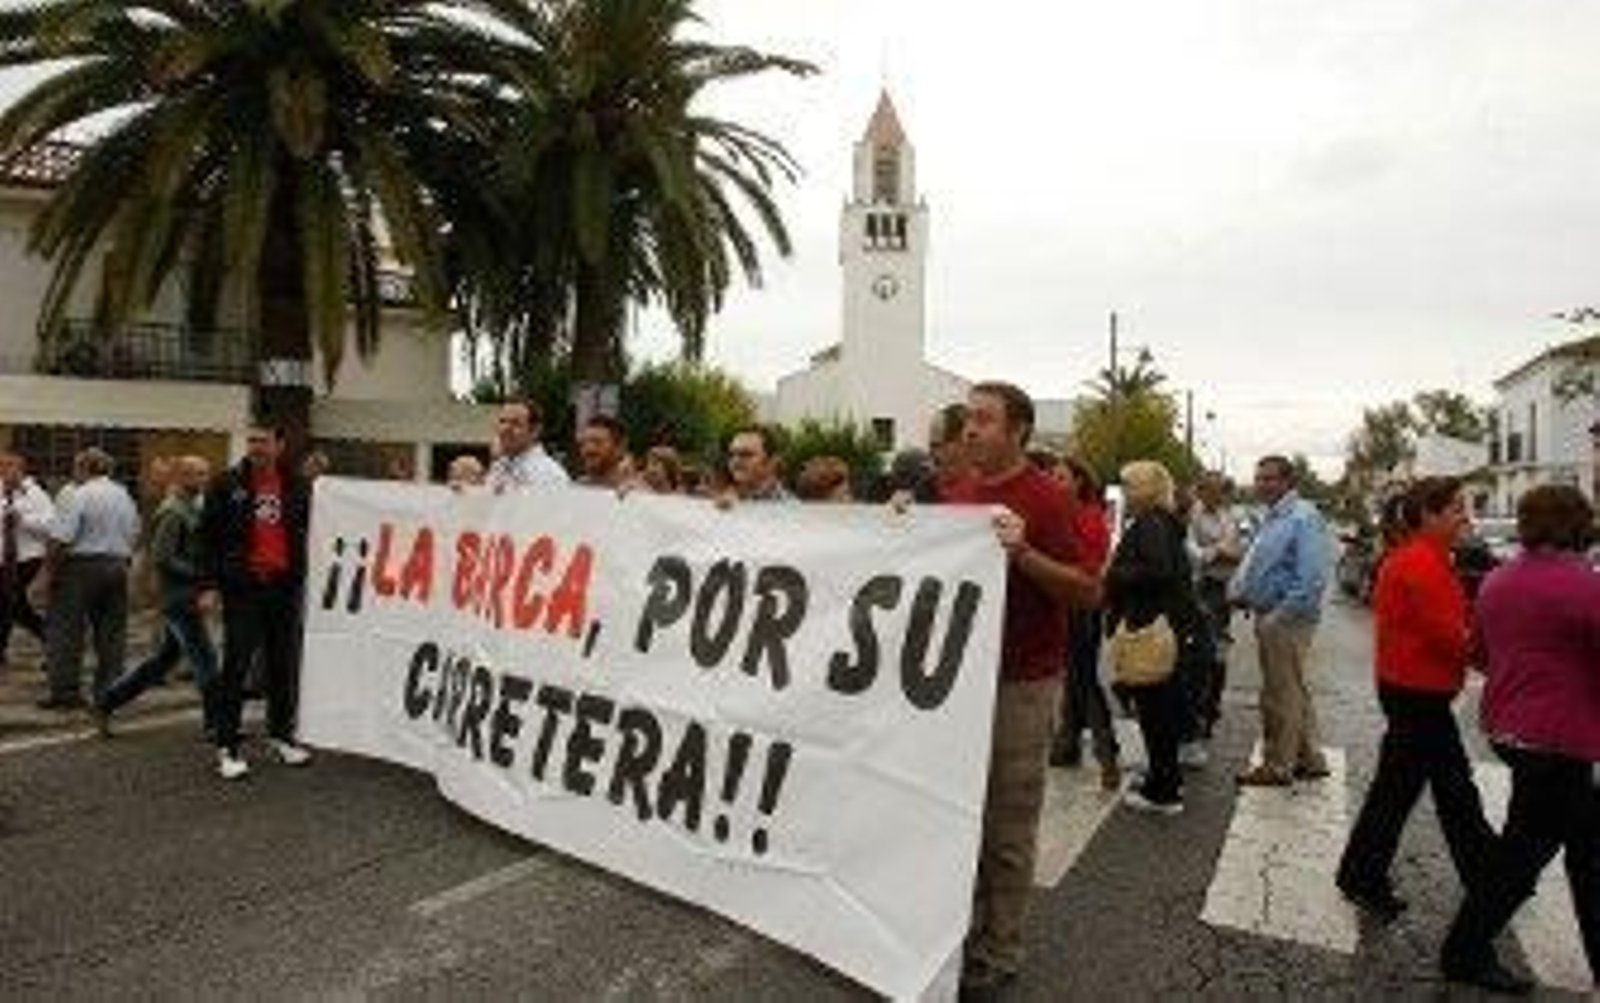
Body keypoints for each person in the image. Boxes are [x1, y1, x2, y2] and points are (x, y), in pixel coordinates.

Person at [944, 381, 1101, 996]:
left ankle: (999, 951)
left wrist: (1024, 553)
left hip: (1021, 684)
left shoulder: (1047, 499)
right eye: (967, 420)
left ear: (1019, 432)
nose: (970, 430)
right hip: (958, 686)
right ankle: (961, 934)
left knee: (1008, 825)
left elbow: (1087, 591)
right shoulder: (955, 494)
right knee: (958, 820)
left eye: (984, 420)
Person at [1440, 485, 1599, 995]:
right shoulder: (1586, 587)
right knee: (1526, 857)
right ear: (1578, 524)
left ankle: (1463, 950)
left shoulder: (1497, 581)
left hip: (1510, 728)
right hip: (1562, 737)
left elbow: (1480, 654)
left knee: (1573, 846)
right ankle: (1462, 951)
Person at [1335, 477, 1494, 923]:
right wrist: (1498, 664)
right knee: (1450, 791)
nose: (1466, 516)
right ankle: (1491, 879)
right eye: (1457, 508)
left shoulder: (1421, 558)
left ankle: (1362, 874)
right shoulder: (1421, 564)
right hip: (1417, 693)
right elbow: (1451, 636)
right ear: (1428, 514)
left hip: (1410, 689)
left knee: (1408, 789)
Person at [200, 423, 313, 780]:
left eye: (263, 440)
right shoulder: (226, 483)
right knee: (237, 664)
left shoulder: (297, 485)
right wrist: (208, 585)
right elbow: (207, 537)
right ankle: (227, 746)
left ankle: (281, 734)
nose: (256, 447)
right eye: (251, 440)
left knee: (283, 665)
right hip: (243, 588)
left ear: (280, 444)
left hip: (284, 587)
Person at [98, 456, 220, 736]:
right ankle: (216, 724)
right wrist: (201, 575)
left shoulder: (193, 505)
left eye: (205, 473)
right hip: (180, 598)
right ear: (180, 476)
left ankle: (106, 702)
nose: (202, 479)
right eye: (195, 474)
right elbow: (162, 557)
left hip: (186, 594)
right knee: (206, 661)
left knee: (162, 661)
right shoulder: (174, 511)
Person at [1103, 460, 1199, 814]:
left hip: (1150, 627)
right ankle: (1164, 776)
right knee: (1160, 707)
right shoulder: (1162, 521)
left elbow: (1156, 570)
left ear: (1144, 490)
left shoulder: (1149, 524)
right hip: (1163, 626)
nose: (1124, 494)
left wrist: (1114, 573)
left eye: (1128, 486)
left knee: (1155, 710)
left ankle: (1163, 792)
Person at [1230, 455, 1332, 786]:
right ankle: (1309, 757)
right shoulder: (1274, 517)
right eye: (1259, 478)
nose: (1262, 484)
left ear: (1288, 482)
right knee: (1293, 688)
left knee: (1279, 693)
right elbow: (1265, 563)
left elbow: (1311, 578)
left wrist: (1278, 616)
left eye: (1270, 478)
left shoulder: (1303, 517)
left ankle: (1277, 765)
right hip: (1271, 612)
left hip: (1287, 617)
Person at [40, 448, 141, 710]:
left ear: (83, 468)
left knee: (65, 631)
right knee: (112, 634)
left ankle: (66, 692)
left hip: (80, 566)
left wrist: (49, 574)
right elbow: (134, 532)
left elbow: (61, 537)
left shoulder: (77, 493)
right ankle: (110, 692)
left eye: (76, 467)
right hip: (117, 564)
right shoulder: (123, 495)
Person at [1048, 456, 1120, 792]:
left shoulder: (1088, 516)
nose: (1053, 482)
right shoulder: (1071, 513)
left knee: (1082, 680)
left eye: (1060, 477)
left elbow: (1089, 564)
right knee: (1075, 680)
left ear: (1078, 482)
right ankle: (1067, 745)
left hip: (1081, 606)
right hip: (1069, 604)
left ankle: (1108, 754)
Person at [1187, 471, 1242, 738]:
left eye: (1222, 491)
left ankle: (1211, 709)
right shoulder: (1191, 515)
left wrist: (1217, 551)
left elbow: (1237, 550)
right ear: (1202, 491)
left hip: (1222, 591)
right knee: (1201, 652)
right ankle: (1196, 710)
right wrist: (1218, 552)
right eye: (1213, 490)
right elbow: (1193, 555)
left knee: (1219, 652)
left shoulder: (1227, 515)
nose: (1218, 496)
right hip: (1199, 589)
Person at [0, 450, 54, 670]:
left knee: (8, 601)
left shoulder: (36, 494)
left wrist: (24, 520)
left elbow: (51, 525)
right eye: (1, 467)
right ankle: (51, 639)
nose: (3, 472)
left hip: (27, 558)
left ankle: (50, 639)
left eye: (7, 467)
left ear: (20, 470)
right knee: (12, 604)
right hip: (2, 558)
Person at [487, 399, 570, 491]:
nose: (505, 428)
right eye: (502, 421)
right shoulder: (498, 467)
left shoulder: (549, 474)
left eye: (516, 423)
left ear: (535, 431)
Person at [723, 425, 792, 503]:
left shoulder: (786, 506)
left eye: (746, 454)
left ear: (771, 462)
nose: (735, 461)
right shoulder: (728, 501)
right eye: (732, 454)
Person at [575, 414, 634, 489]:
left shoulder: (637, 491)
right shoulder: (577, 487)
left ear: (619, 448)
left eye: (597, 442)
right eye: (583, 443)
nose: (589, 449)